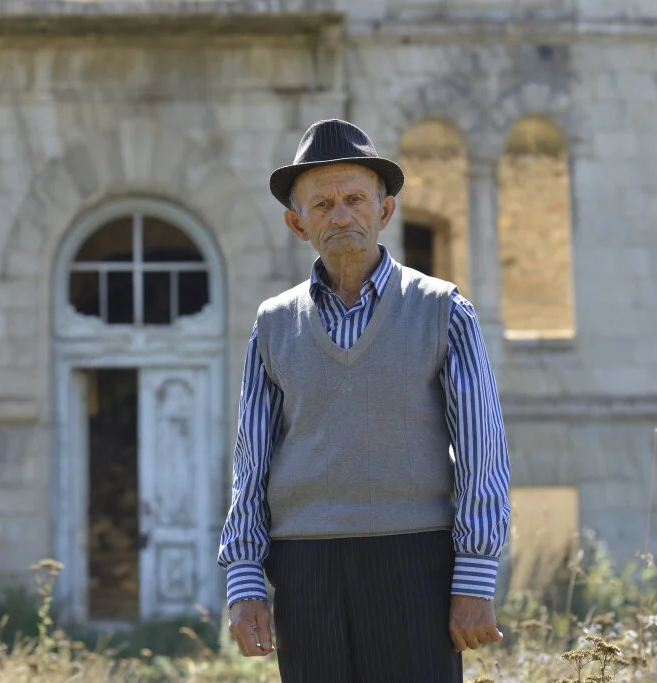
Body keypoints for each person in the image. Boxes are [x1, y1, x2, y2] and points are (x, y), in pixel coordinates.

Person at [217, 119, 511, 682]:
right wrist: (245, 579)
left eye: (355, 199)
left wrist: (475, 575)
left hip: (415, 560)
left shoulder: (443, 310)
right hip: (303, 568)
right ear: (296, 224)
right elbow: (250, 464)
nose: (341, 214)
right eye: (321, 204)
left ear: (385, 212)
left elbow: (482, 451)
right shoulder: (273, 324)